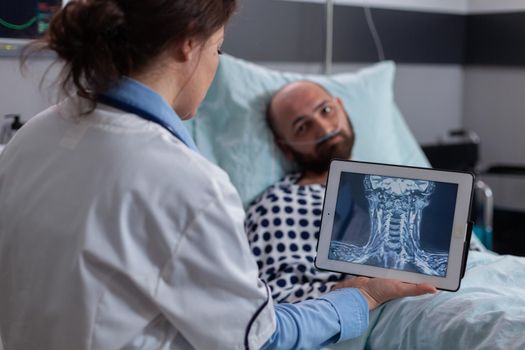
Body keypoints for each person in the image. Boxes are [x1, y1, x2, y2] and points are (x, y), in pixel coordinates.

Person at [0, 1, 436, 349]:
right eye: (218, 49)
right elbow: (258, 339)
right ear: (189, 44)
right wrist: (363, 296)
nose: (215, 64)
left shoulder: (30, 138)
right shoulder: (188, 182)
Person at [245, 80, 483, 304]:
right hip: (384, 309)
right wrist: (356, 290)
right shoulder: (279, 204)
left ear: (341, 108)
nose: (324, 128)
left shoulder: (411, 184)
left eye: (326, 111)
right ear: (286, 148)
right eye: (303, 127)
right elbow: (272, 302)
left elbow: (477, 258)